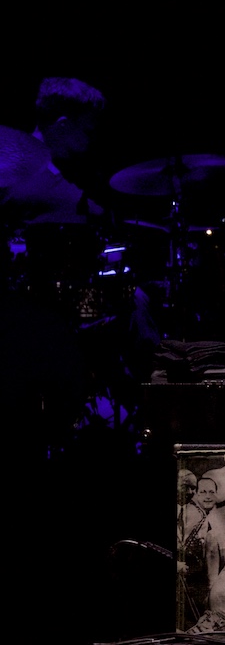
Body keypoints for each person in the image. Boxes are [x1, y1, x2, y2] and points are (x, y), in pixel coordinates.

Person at [1, 77, 160, 454]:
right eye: (87, 129)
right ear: (61, 124)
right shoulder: (23, 167)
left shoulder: (51, 171)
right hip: (27, 293)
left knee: (133, 297)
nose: (92, 140)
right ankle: (158, 406)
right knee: (135, 303)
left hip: (57, 286)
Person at [177, 476, 217, 629]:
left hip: (201, 584)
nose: (207, 496)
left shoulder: (210, 520)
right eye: (203, 492)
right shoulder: (190, 515)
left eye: (211, 492)